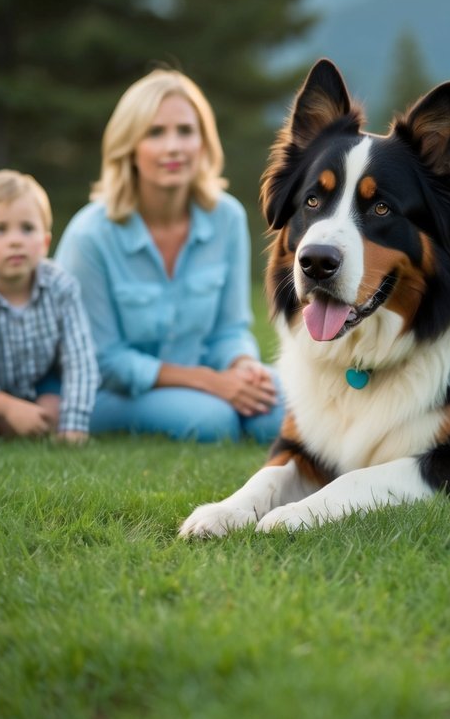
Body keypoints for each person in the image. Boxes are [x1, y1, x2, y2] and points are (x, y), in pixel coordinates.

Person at [55, 69, 283, 444]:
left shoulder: (227, 217)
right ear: (128, 146)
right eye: (155, 133)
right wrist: (211, 382)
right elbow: (104, 360)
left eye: (185, 131)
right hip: (108, 392)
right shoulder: (89, 235)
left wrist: (243, 367)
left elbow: (230, 329)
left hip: (205, 375)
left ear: (203, 142)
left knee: (282, 410)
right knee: (214, 423)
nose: (174, 147)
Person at [0, 170, 98, 443]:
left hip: (37, 385)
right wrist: (6, 405)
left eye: (27, 228)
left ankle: (19, 424)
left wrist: (74, 425)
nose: (15, 240)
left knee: (53, 411)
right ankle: (2, 421)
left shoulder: (61, 286)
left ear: (45, 243)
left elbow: (79, 359)